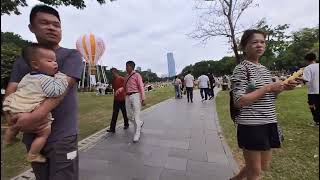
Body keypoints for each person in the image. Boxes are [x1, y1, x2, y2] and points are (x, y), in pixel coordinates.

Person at [4, 5, 83, 180]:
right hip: (32, 137)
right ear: (32, 27)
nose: (51, 28)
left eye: (56, 25)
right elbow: (11, 89)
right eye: (44, 23)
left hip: (63, 136)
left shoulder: (72, 55)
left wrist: (31, 118)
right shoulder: (23, 60)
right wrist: (12, 118)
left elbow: (60, 92)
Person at [230, 29, 297, 180]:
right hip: (251, 124)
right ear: (244, 46)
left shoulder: (265, 70)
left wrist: (283, 88)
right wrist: (268, 87)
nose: (259, 45)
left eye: (262, 42)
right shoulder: (242, 68)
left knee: (262, 166)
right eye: (254, 42)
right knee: (255, 173)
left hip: (269, 121)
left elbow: (269, 97)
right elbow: (239, 101)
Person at [3, 44, 68, 163]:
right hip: (29, 109)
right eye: (50, 61)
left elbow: (20, 88)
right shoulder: (45, 79)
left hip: (15, 106)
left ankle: (8, 138)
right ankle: (33, 154)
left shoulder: (27, 77)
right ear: (35, 64)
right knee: (44, 132)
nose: (55, 63)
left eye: (55, 60)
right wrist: (61, 78)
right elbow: (56, 91)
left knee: (14, 125)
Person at [116, 61, 145, 142]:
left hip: (135, 95)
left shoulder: (137, 75)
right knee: (128, 116)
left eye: (127, 66)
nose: (125, 68)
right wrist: (120, 89)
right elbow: (125, 86)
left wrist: (143, 98)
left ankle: (137, 134)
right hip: (128, 96)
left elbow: (141, 86)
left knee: (136, 115)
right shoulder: (126, 76)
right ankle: (139, 123)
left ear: (131, 67)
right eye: (125, 66)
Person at [107, 68, 129, 133]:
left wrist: (122, 89)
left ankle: (126, 124)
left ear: (115, 72)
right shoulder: (113, 80)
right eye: (111, 73)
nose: (112, 74)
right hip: (116, 99)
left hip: (123, 99)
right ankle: (112, 128)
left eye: (112, 72)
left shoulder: (122, 78)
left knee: (124, 112)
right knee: (114, 114)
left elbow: (126, 85)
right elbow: (114, 88)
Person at [301, 53, 319, 126]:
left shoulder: (308, 68)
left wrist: (297, 78)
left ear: (307, 60)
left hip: (313, 91)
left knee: (312, 106)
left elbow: (306, 79)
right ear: (315, 58)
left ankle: (317, 121)